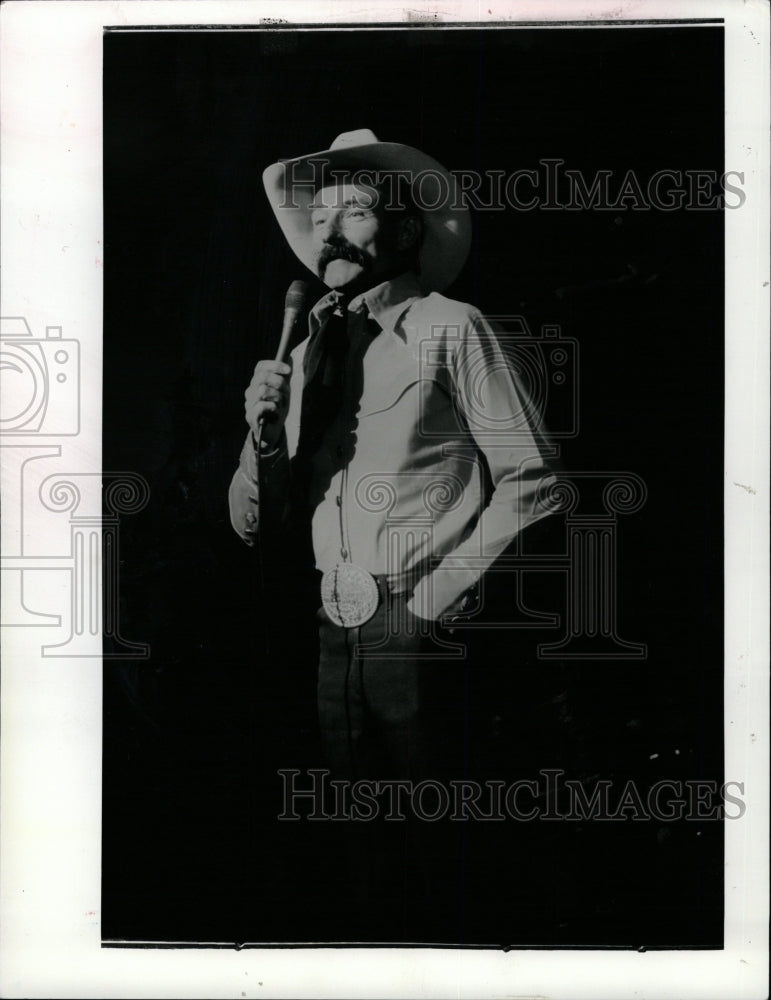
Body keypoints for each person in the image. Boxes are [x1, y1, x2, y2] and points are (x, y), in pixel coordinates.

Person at [229, 129, 559, 937]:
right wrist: (261, 434)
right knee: (360, 846)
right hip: (329, 628)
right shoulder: (307, 350)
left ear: (407, 231)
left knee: (439, 845)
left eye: (356, 211)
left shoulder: (450, 326)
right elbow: (248, 525)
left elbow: (535, 479)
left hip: (416, 623)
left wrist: (431, 603)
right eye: (322, 215)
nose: (329, 231)